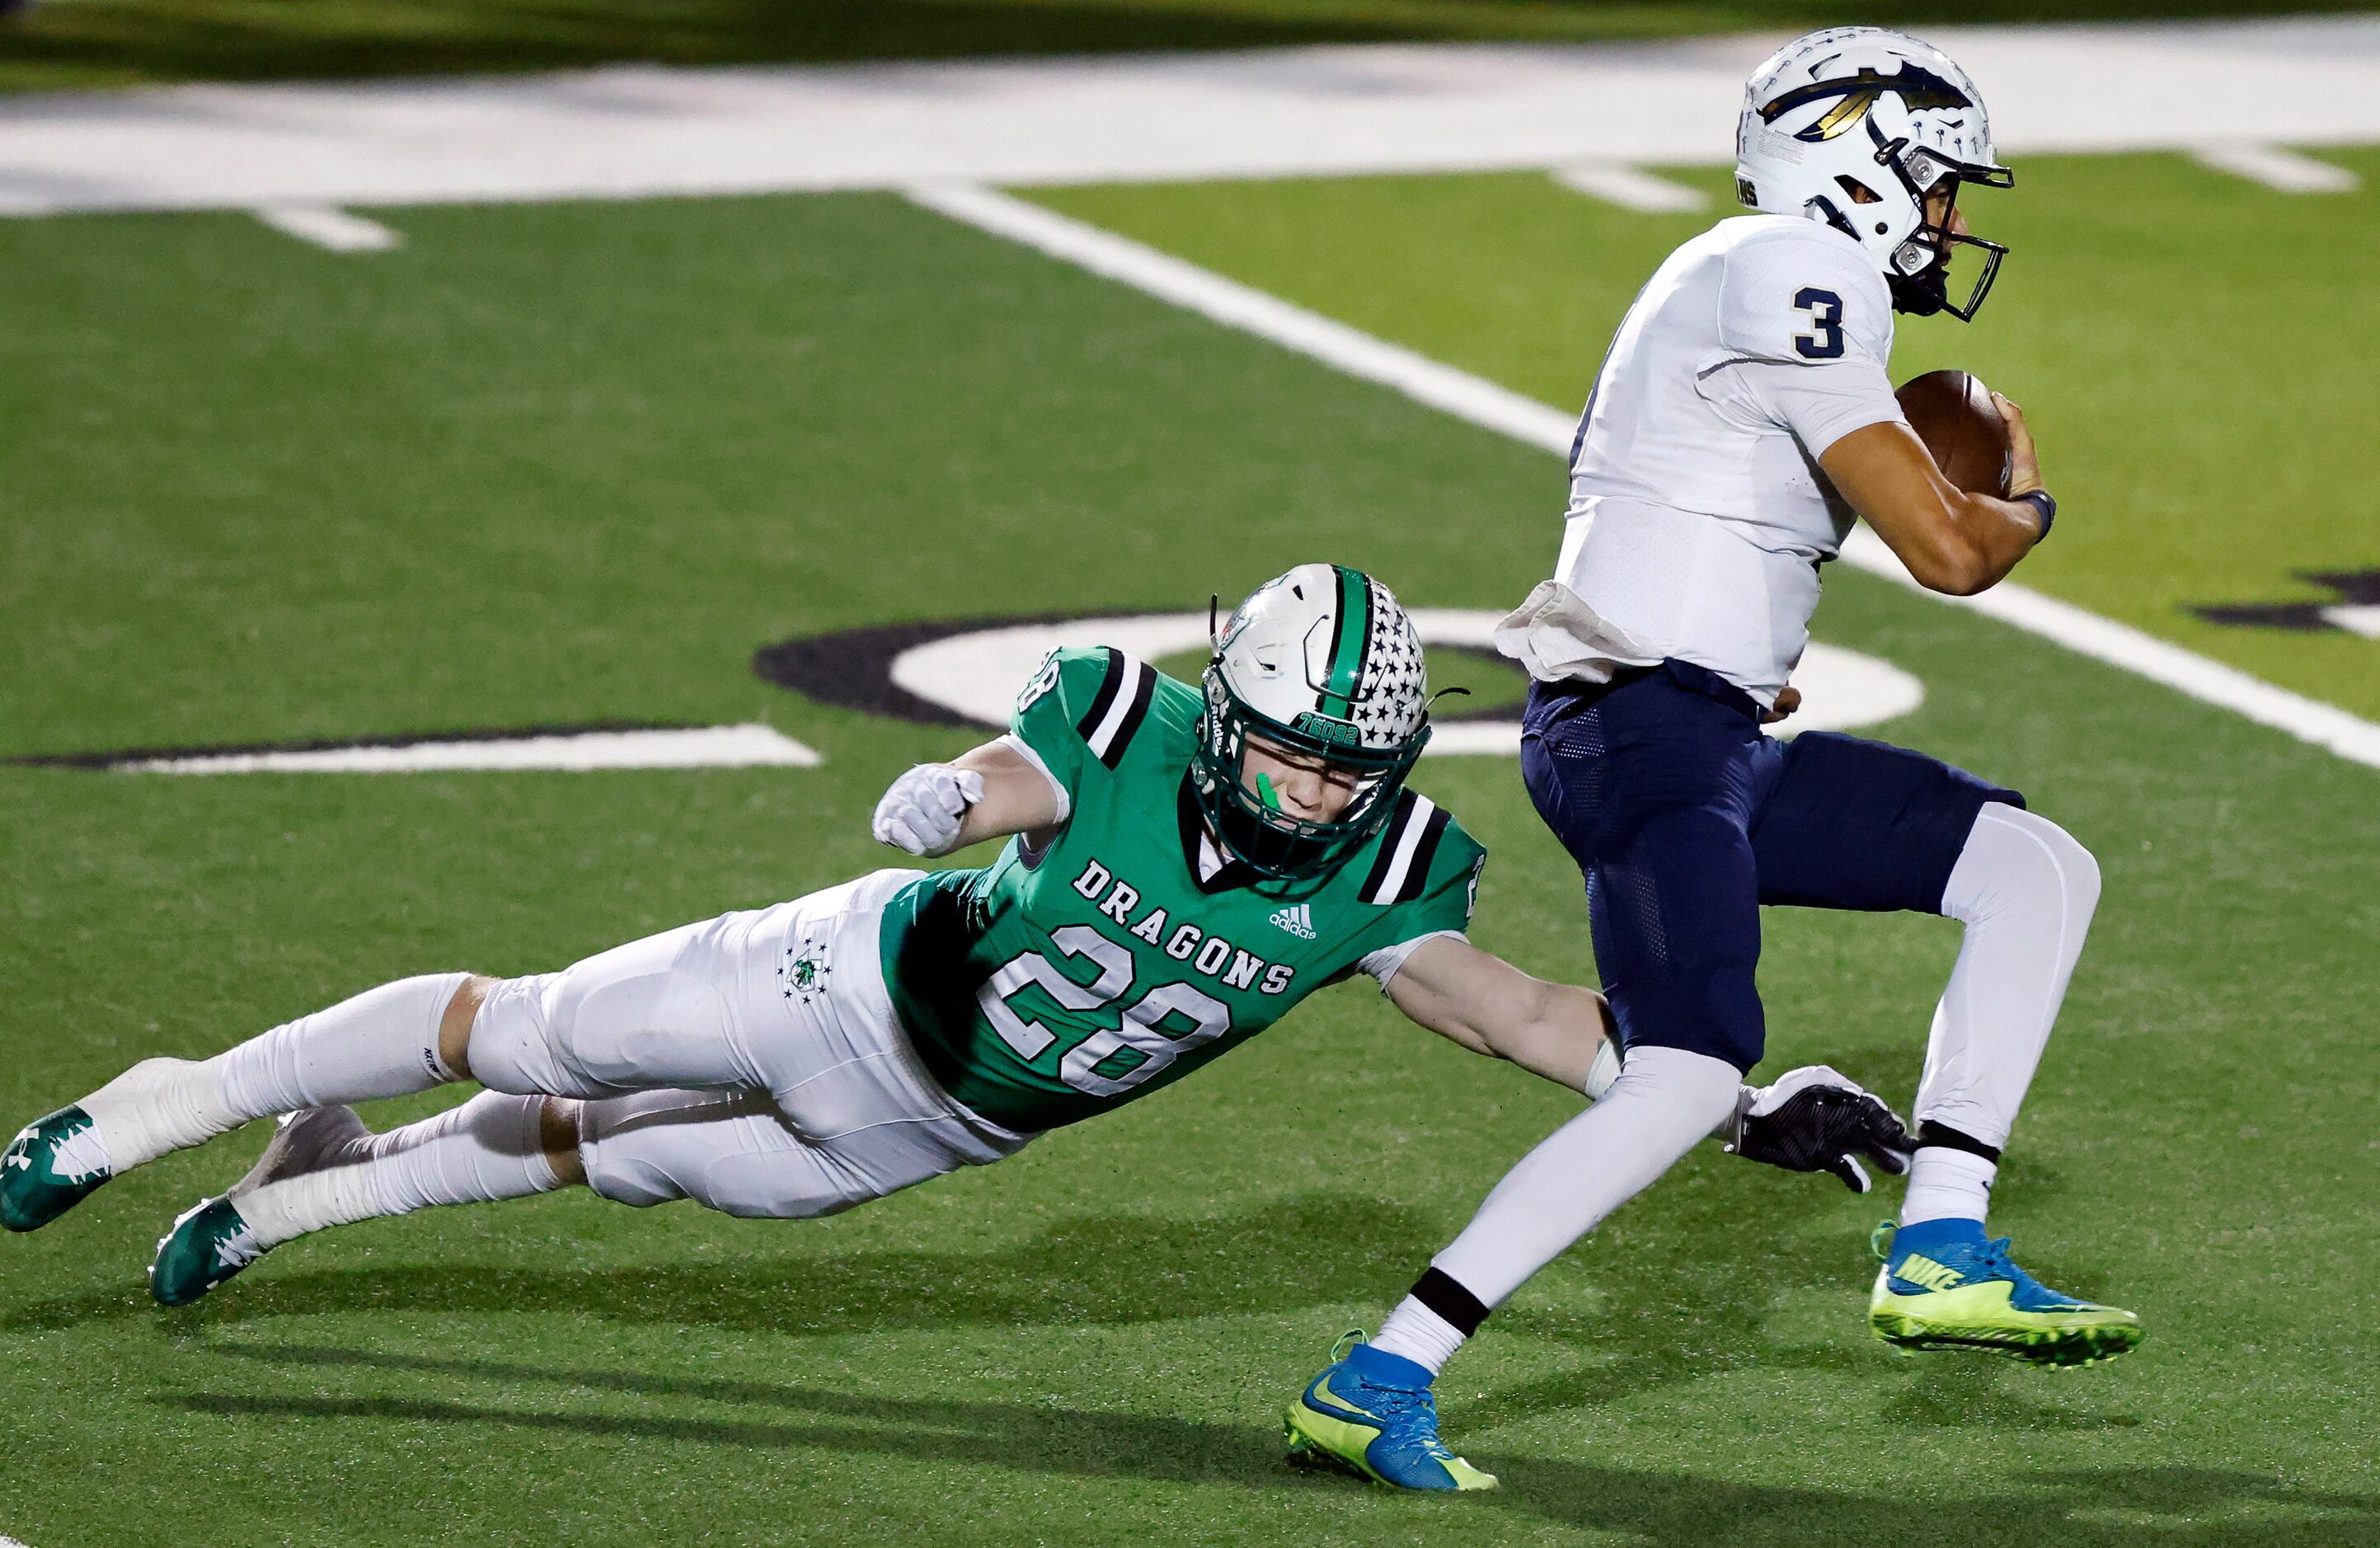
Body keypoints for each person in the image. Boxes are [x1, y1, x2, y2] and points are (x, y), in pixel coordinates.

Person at [2, 565, 1902, 1321]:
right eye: (1304, 759)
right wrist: (949, 793)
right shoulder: (1132, 725)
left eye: (1357, 768)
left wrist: (1714, 1099)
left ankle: (287, 1207)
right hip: (843, 973)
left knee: (631, 1167)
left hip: (937, 1128)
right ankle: (161, 1109)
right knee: (531, 1038)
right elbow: (1014, 778)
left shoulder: (1383, 874)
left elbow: (1522, 1020)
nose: (1327, 798)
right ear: (1232, 717)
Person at [1284, 29, 2138, 1494]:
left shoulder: (1763, 282)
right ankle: (1382, 1371)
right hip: (1647, 735)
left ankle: (1941, 1239)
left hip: (1706, 731)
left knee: (2034, 865)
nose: (1946, 219)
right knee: (1682, 1079)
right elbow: (1950, 549)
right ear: (1859, 163)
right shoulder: (1785, 268)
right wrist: (2027, 498)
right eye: (1933, 182)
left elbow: (1701, 506)